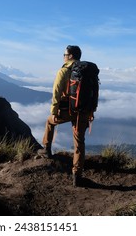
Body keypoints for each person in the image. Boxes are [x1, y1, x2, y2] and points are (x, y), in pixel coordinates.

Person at [38, 45, 90, 187]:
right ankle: (77, 176)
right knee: (79, 143)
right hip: (83, 112)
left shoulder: (65, 70)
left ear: (71, 56)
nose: (63, 56)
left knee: (49, 122)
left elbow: (56, 92)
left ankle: (46, 149)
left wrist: (54, 111)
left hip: (68, 111)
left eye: (65, 54)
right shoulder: (85, 71)